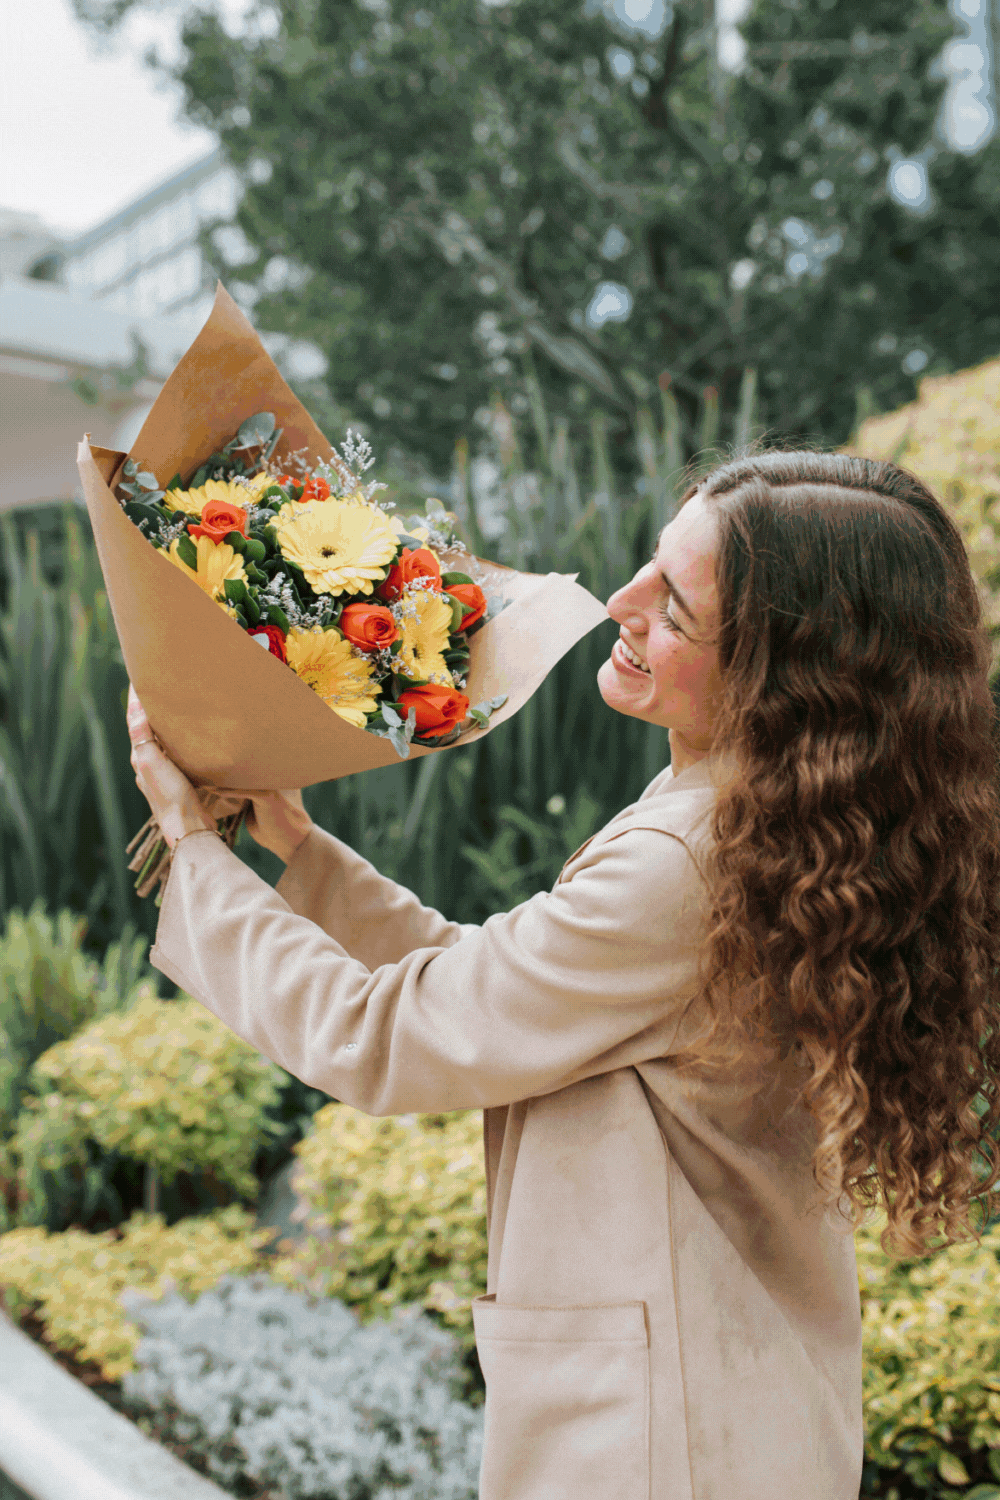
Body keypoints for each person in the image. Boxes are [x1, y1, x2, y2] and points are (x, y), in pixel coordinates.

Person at [127, 447, 1000, 1500]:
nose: (620, 605)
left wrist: (196, 850)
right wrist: (299, 850)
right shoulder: (769, 820)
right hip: (722, 1404)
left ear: (785, 672)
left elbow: (390, 1038)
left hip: (657, 1442)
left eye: (676, 611)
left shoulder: (690, 860)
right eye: (649, 569)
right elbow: (508, 987)